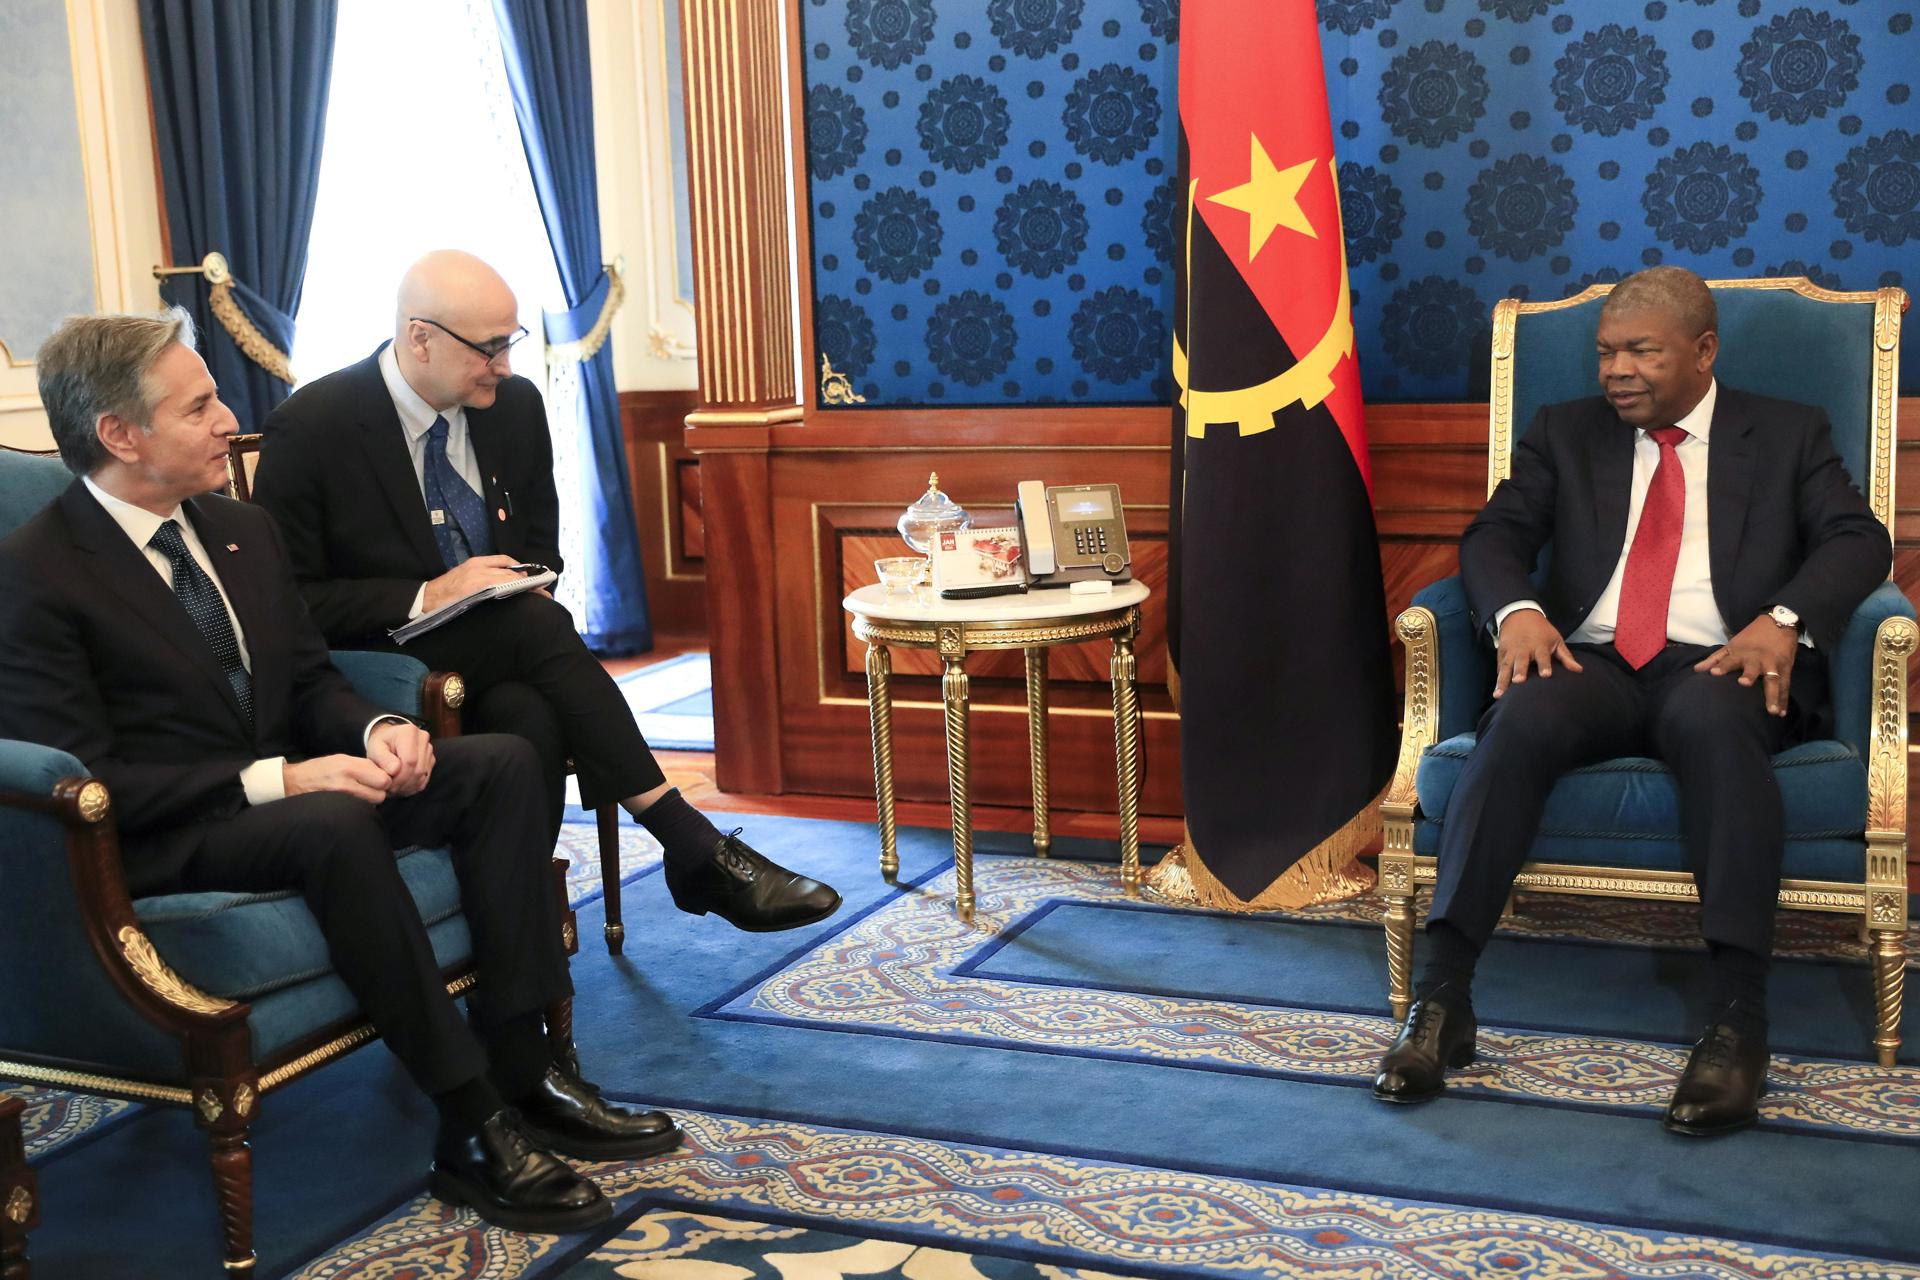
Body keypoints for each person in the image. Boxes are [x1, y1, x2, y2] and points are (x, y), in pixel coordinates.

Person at [0, 310, 681, 1232]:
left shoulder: (238, 528)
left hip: (292, 791)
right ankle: (471, 1123)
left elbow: (313, 677)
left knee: (501, 763)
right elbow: (87, 779)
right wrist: (285, 780)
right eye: (198, 407)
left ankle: (526, 1072)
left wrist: (378, 729)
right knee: (326, 822)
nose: (227, 419)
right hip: (166, 834)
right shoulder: (38, 574)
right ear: (120, 434)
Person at [1371, 267, 1890, 1136]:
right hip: (1595, 660)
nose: (1617, 371)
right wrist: (1521, 612)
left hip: (1721, 662)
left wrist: (1783, 622)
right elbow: (1496, 535)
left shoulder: (1788, 432)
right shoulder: (1565, 432)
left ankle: (1736, 1022)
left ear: (1702, 352)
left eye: (1642, 351)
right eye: (1607, 352)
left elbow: (1857, 538)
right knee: (1519, 721)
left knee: (1716, 727)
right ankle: (1443, 999)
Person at [252, 250, 839, 933]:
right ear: (420, 338)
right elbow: (291, 603)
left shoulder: (514, 408)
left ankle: (516, 942)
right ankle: (688, 844)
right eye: (489, 347)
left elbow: (541, 551)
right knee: (533, 645)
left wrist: (513, 584)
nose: (504, 364)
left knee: (528, 715)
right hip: (384, 653)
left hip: (506, 647)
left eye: (511, 342)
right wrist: (428, 595)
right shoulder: (314, 424)